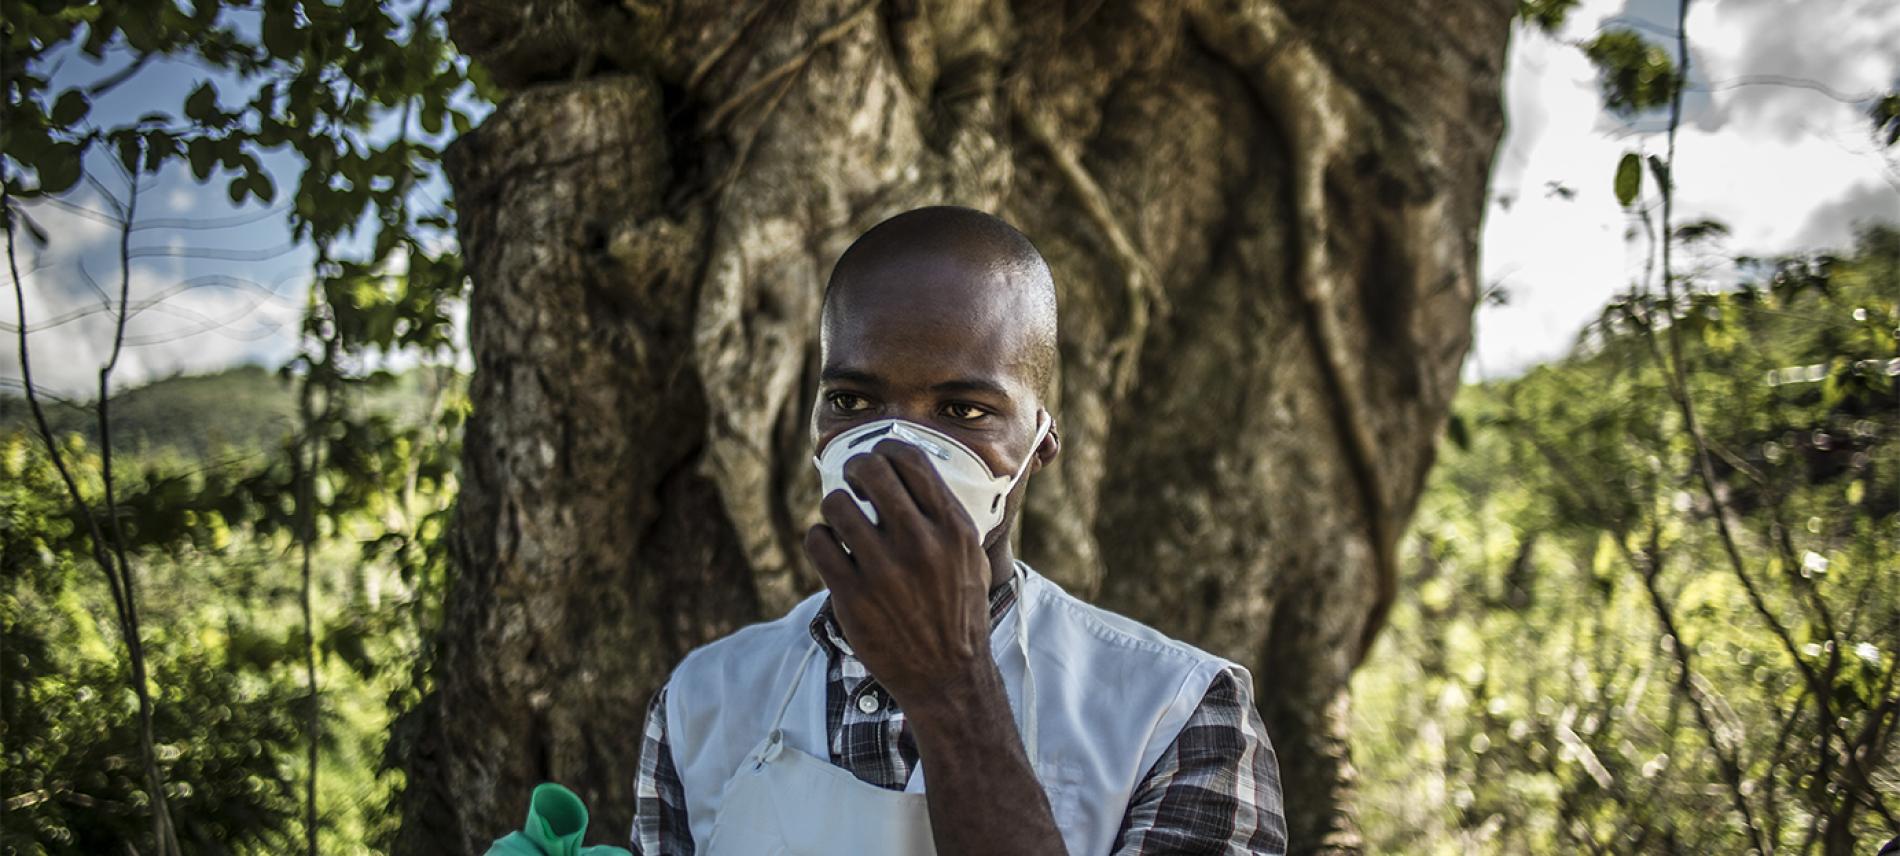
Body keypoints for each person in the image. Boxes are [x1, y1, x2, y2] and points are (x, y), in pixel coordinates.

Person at [630, 206, 1288, 855]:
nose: (896, 448)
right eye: (852, 402)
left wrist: (952, 685)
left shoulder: (1179, 716)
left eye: (963, 409)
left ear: (1042, 439)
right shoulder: (701, 703)